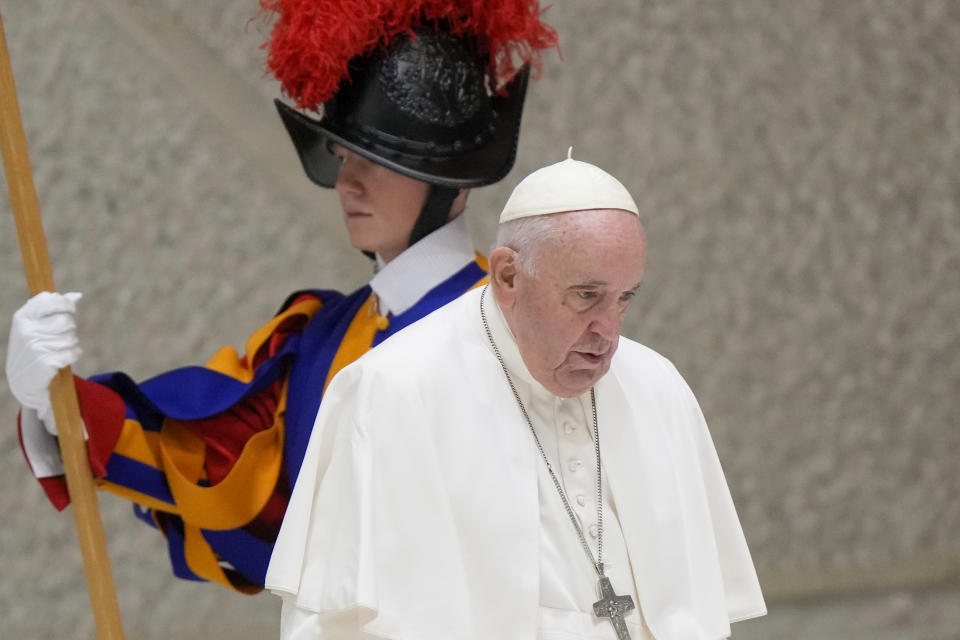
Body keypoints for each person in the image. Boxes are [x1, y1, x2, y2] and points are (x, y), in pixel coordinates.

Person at [5, 1, 556, 593]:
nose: (347, 180)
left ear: (449, 174)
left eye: (377, 159)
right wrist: (58, 405)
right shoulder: (322, 337)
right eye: (343, 154)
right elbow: (214, 466)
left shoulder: (518, 338)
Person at [266, 153, 767, 639]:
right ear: (507, 276)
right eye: (586, 296)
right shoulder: (392, 390)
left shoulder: (657, 386)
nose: (608, 332)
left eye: (624, 299)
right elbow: (328, 622)